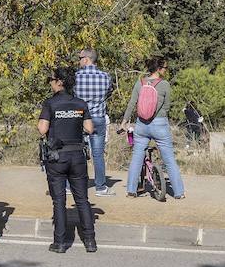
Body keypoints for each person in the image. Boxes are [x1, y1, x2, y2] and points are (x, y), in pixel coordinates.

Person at [39, 66, 97, 253]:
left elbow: (42, 129)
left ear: (59, 82)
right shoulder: (80, 103)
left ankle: (60, 243)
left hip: (57, 158)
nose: (50, 82)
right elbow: (89, 128)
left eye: (51, 79)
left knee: (59, 201)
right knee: (82, 200)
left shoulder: (50, 103)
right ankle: (90, 241)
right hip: (77, 157)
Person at [119, 57, 185, 200]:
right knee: (169, 159)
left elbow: (132, 103)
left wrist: (124, 121)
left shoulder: (140, 82)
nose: (166, 70)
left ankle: (131, 190)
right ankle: (179, 193)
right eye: (165, 68)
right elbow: (167, 106)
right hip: (160, 124)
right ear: (159, 69)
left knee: (137, 157)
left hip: (141, 125)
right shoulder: (164, 84)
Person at [74, 47, 116, 195]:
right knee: (98, 154)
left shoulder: (76, 77)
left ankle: (70, 186)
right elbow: (109, 92)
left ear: (86, 59)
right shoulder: (106, 76)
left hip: (79, 119)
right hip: (98, 118)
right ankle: (100, 187)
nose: (79, 61)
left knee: (74, 152)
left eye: (80, 58)